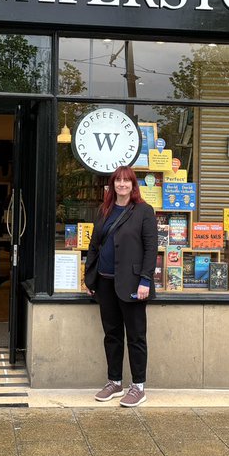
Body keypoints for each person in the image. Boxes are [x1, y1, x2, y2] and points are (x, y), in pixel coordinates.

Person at [84, 165, 158, 408]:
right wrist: (90, 279)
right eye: (118, 181)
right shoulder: (104, 210)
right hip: (105, 283)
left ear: (133, 185)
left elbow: (151, 249)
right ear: (112, 185)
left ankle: (138, 387)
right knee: (112, 335)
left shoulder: (144, 211)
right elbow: (94, 246)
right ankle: (114, 382)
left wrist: (146, 280)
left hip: (133, 284)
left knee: (136, 336)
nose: (122, 185)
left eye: (127, 181)